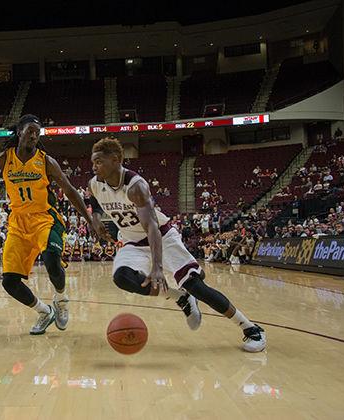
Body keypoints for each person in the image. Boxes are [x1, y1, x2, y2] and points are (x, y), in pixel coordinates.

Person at [89, 137, 266, 352]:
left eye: (98, 162)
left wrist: (157, 267)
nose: (94, 166)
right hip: (132, 242)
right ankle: (180, 297)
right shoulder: (95, 183)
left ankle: (250, 328)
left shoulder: (136, 186)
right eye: (93, 162)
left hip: (161, 237)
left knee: (196, 286)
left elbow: (152, 227)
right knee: (122, 277)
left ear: (115, 160)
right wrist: (96, 220)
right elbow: (95, 203)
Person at [0, 115, 104, 335]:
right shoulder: (3, 158)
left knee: (51, 259)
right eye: (30, 130)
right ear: (20, 132)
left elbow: (69, 190)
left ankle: (61, 300)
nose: (34, 135)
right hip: (18, 223)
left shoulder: (46, 161)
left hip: (45, 219)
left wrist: (89, 220)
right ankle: (44, 311)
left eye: (37, 133)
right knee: (9, 282)